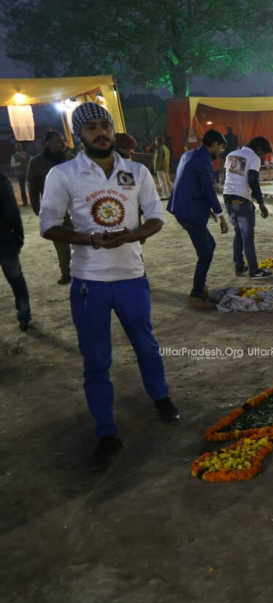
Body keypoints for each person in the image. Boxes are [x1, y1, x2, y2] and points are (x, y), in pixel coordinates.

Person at [39, 102, 179, 471]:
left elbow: (156, 217)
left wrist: (130, 236)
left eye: (105, 125)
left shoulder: (136, 171)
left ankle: (161, 397)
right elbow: (48, 225)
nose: (101, 133)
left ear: (113, 130)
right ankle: (106, 431)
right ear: (78, 135)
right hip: (90, 283)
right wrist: (90, 240)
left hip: (132, 276)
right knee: (97, 359)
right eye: (92, 128)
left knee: (147, 345)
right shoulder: (63, 175)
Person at [167, 129, 229, 310]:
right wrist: (220, 215)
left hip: (183, 207)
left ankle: (200, 287)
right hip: (189, 212)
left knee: (209, 246)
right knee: (206, 252)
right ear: (215, 144)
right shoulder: (203, 161)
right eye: (221, 148)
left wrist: (205, 208)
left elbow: (190, 183)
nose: (220, 152)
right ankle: (196, 293)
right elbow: (208, 189)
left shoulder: (190, 154)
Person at [223, 136, 272, 278]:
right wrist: (261, 203)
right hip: (242, 199)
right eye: (263, 154)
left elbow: (229, 177)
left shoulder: (231, 154)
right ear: (259, 149)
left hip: (228, 197)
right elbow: (252, 180)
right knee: (247, 235)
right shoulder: (254, 157)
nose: (262, 158)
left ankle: (239, 266)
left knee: (238, 233)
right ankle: (254, 270)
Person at [27, 131, 72, 284]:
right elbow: (32, 186)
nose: (62, 143)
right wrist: (36, 207)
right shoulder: (36, 162)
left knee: (82, 241)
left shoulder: (71, 159)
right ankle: (66, 273)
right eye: (58, 141)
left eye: (62, 140)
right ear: (48, 143)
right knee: (61, 244)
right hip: (53, 210)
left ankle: (85, 271)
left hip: (75, 208)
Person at [0, 170, 30, 331]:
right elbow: (12, 211)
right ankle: (24, 315)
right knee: (16, 280)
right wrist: (19, 236)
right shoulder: (2, 181)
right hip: (5, 239)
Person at [10, 143, 30, 209]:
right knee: (25, 188)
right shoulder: (25, 154)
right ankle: (26, 202)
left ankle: (25, 202)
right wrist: (19, 164)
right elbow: (13, 165)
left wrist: (18, 164)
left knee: (24, 188)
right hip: (23, 173)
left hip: (23, 173)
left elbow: (12, 165)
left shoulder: (16, 155)